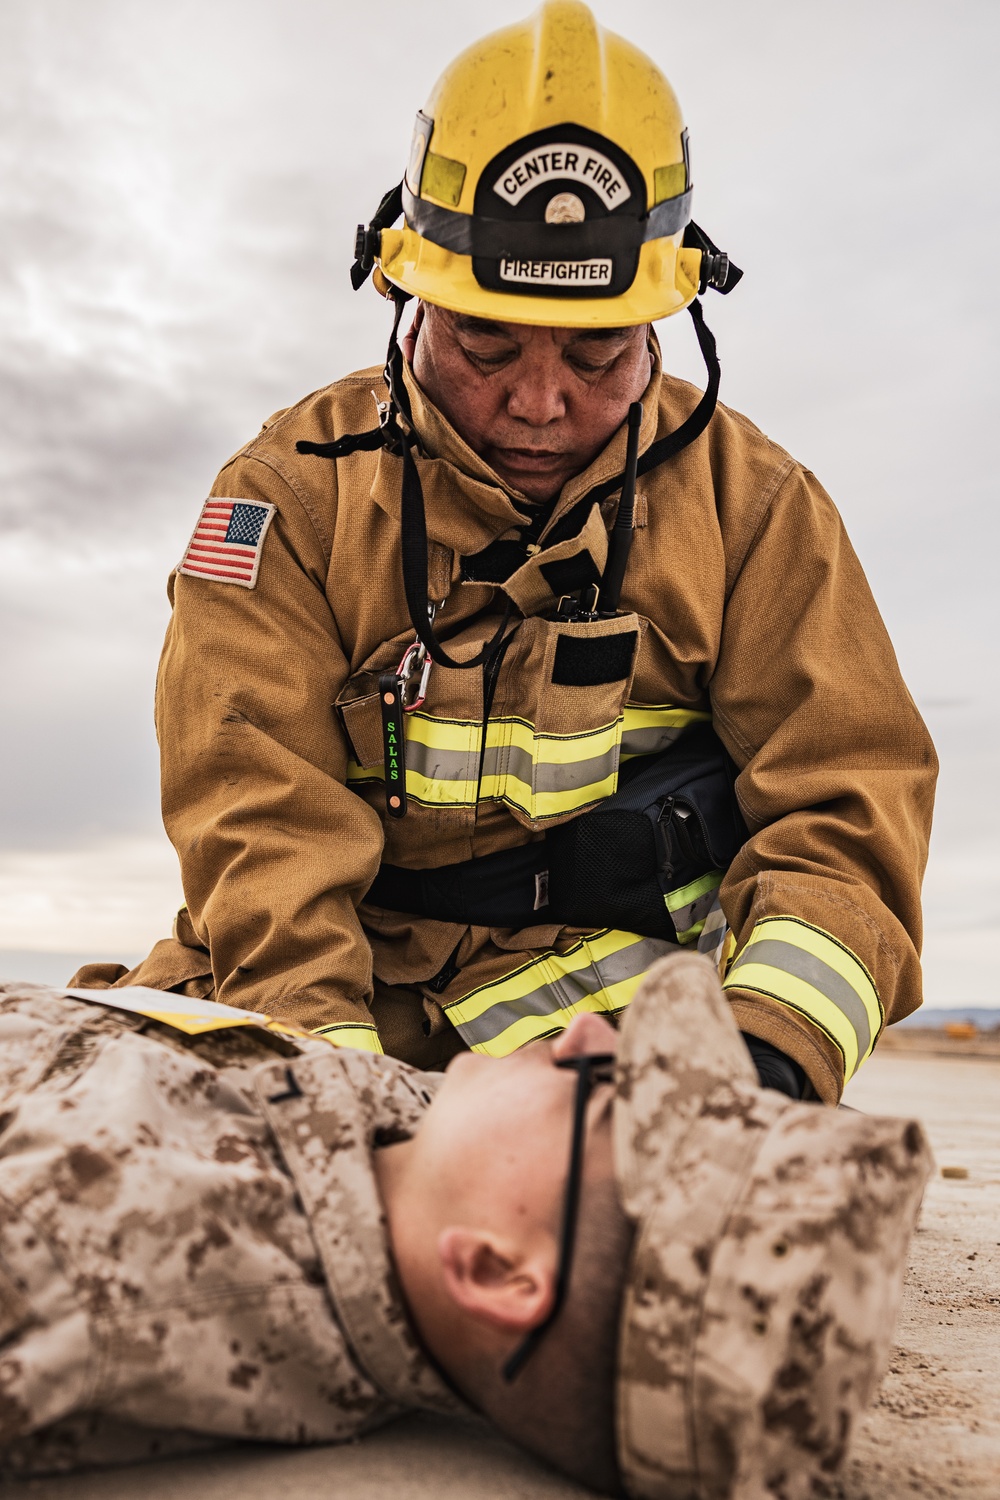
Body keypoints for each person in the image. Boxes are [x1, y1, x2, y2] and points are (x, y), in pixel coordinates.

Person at [73, 0, 936, 1105]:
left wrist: (754, 1069)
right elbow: (260, 828)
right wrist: (337, 1103)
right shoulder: (285, 501)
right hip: (326, 992)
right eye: (485, 341)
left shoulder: (757, 512)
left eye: (595, 352)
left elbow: (848, 806)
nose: (537, 402)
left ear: (665, 323)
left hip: (624, 1022)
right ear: (405, 295)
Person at [0, 953, 930, 1495]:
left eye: (603, 1095)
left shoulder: (84, 1261)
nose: (588, 1036)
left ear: (495, 1272)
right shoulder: (420, 1156)